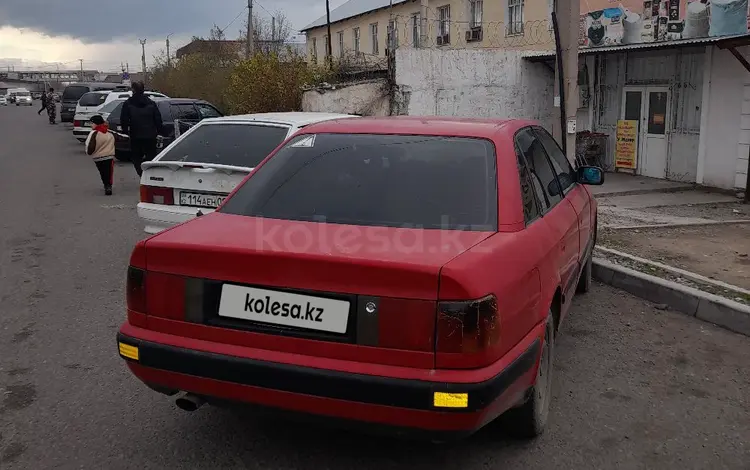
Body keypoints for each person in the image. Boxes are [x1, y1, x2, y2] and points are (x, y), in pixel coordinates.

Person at [120, 81, 163, 177]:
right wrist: (160, 132)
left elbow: (124, 119)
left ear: (133, 90)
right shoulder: (151, 103)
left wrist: (125, 132)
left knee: (136, 157)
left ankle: (141, 174)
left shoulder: (128, 103)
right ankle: (150, 174)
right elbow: (158, 119)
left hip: (135, 135)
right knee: (151, 156)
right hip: (150, 135)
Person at [85, 115, 116, 195]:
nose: (91, 125)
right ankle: (108, 186)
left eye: (92, 123)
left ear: (96, 123)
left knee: (102, 172)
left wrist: (89, 152)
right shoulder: (109, 132)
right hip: (109, 156)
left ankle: (106, 185)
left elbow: (90, 145)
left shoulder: (94, 133)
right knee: (108, 172)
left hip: (98, 158)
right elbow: (119, 137)